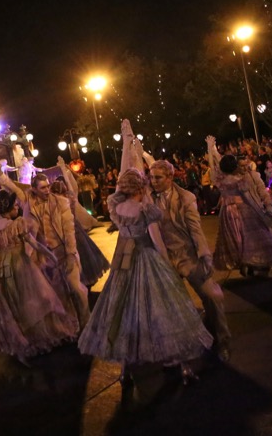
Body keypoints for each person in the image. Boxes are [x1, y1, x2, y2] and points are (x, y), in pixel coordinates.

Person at [78, 169, 213, 395]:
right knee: (165, 311)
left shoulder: (117, 209)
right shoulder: (145, 210)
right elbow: (157, 241)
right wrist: (167, 264)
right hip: (147, 260)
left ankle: (125, 369)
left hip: (125, 266)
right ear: (140, 188)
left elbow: (123, 235)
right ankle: (181, 364)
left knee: (125, 314)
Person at [0, 188, 80, 366]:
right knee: (38, 300)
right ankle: (36, 338)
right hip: (21, 266)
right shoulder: (17, 224)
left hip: (4, 270)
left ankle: (22, 341)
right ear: (7, 208)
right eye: (14, 206)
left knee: (14, 304)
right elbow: (33, 243)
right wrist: (52, 256)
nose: (17, 209)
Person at [149, 157, 231, 362]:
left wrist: (204, 255)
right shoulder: (147, 198)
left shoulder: (186, 198)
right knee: (166, 307)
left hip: (187, 256)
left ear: (170, 177)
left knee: (213, 296)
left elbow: (195, 230)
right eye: (151, 178)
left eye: (158, 178)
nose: (153, 181)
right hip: (163, 260)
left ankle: (223, 341)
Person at [0, 154, 89, 329]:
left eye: (48, 187)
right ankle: (73, 326)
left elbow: (69, 231)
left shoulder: (61, 203)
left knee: (76, 289)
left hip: (64, 251)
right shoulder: (29, 203)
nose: (47, 190)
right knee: (58, 294)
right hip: (46, 256)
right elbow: (13, 188)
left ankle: (87, 322)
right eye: (43, 188)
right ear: (35, 189)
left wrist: (70, 254)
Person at [206, 136, 272, 277]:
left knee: (239, 239)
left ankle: (250, 262)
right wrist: (259, 209)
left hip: (228, 212)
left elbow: (214, 164)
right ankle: (249, 261)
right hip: (243, 209)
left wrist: (211, 149)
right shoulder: (240, 178)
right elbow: (247, 195)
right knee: (254, 237)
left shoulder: (219, 178)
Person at [53, 158, 111, 288]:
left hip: (75, 234)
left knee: (81, 264)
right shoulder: (62, 201)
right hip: (69, 234)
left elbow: (70, 187)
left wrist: (63, 168)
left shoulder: (68, 200)